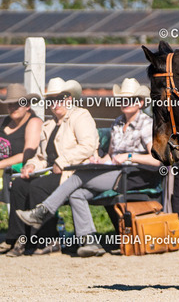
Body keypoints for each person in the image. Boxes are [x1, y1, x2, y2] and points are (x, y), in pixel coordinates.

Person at [16, 78, 161, 257]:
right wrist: (98, 160)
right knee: (77, 193)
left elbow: (156, 160)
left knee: (78, 176)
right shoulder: (117, 123)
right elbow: (110, 156)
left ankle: (42, 211)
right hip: (114, 173)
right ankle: (90, 242)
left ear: (140, 102)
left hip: (136, 175)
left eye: (130, 99)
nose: (125, 103)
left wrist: (129, 156)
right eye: (122, 99)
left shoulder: (147, 124)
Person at [2, 78, 99, 256]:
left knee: (37, 186)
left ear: (69, 99)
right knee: (19, 185)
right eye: (51, 100)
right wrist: (31, 165)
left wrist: (62, 161)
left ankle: (48, 239)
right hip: (54, 172)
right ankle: (19, 238)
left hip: (75, 173)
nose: (55, 104)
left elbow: (88, 146)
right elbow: (41, 157)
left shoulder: (80, 116)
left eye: (59, 98)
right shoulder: (49, 125)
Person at [0, 84, 43, 254]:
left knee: (14, 181)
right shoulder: (5, 122)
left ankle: (15, 237)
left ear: (27, 105)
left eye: (18, 104)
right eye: (10, 104)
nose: (13, 108)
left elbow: (27, 154)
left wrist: (1, 164)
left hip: (20, 169)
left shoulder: (34, 122)